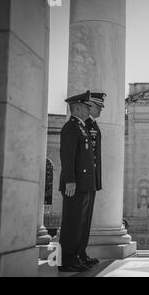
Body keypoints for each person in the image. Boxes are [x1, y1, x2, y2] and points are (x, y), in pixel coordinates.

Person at [58, 91, 96, 272]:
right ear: (77, 108)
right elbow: (67, 157)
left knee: (79, 222)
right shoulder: (71, 128)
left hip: (84, 184)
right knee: (71, 222)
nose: (89, 109)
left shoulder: (81, 127)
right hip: (75, 185)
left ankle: (76, 256)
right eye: (87, 106)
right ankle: (66, 260)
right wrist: (70, 181)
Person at [77, 92, 107, 267]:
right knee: (78, 220)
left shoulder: (92, 125)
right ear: (89, 106)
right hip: (82, 180)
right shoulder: (82, 125)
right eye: (98, 106)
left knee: (85, 219)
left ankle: (81, 253)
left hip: (90, 179)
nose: (101, 110)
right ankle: (73, 256)